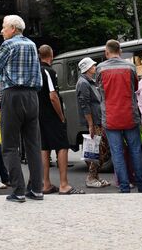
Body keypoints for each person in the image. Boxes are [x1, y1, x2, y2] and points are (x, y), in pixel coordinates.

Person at [0, 15, 44, 203]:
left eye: (4, 27)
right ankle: (37, 189)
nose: (2, 31)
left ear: (13, 28)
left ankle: (18, 190)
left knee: (10, 145)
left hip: (12, 95)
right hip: (32, 96)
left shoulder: (8, 45)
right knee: (33, 145)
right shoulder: (31, 45)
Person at [96, 40, 142, 194]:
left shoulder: (100, 68)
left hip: (111, 116)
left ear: (107, 52)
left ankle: (124, 187)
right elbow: (135, 87)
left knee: (117, 153)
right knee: (136, 151)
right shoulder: (130, 67)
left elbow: (99, 89)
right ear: (120, 51)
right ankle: (141, 185)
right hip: (130, 115)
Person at [38, 46, 82, 195]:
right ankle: (64, 184)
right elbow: (53, 96)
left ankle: (45, 184)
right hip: (52, 115)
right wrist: (61, 116)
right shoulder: (48, 71)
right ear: (51, 55)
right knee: (62, 146)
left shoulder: (34, 71)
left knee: (44, 148)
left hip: (38, 115)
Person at [76, 57, 111, 189]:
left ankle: (95, 176)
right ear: (88, 68)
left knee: (100, 149)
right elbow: (84, 105)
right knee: (99, 149)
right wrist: (90, 124)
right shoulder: (83, 83)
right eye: (93, 66)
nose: (95, 67)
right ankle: (91, 177)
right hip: (95, 121)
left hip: (97, 120)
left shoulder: (89, 81)